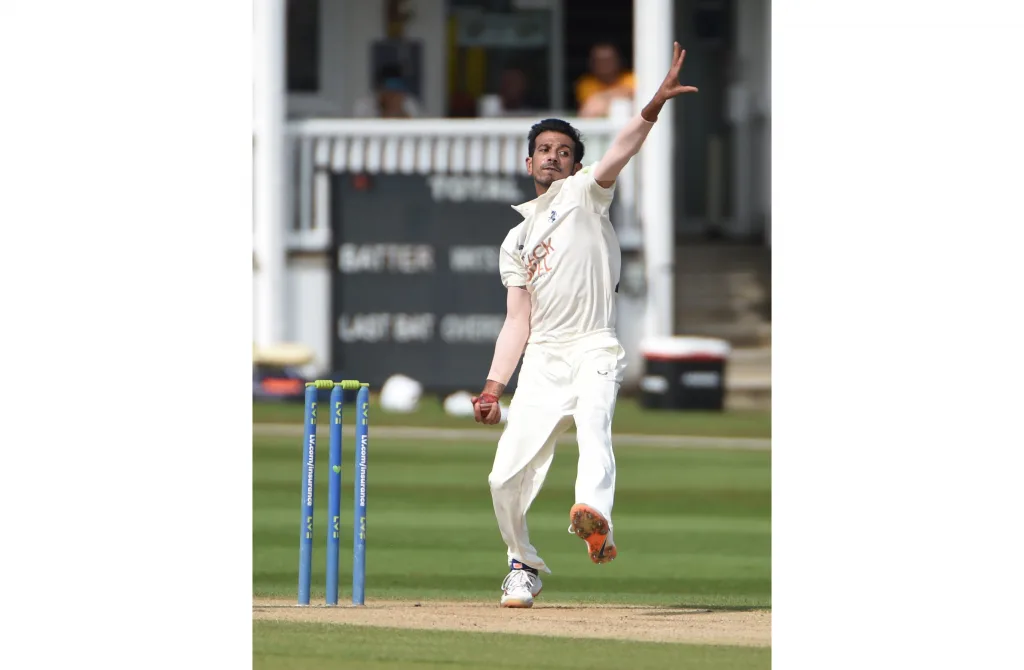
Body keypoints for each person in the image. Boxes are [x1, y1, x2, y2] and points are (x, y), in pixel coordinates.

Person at [472, 42, 698, 608]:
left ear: (576, 163)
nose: (552, 158)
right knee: (503, 478)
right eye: (543, 150)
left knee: (595, 424)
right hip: (544, 357)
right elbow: (516, 320)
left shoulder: (586, 195)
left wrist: (651, 107)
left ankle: (594, 514)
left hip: (595, 344)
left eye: (563, 151)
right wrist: (494, 385)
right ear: (529, 163)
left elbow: (621, 149)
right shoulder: (514, 239)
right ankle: (521, 563)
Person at [575, 43, 635, 117]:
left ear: (618, 61)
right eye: (599, 61)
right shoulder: (586, 83)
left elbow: (633, 92)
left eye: (608, 60)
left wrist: (601, 97)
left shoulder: (629, 77)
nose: (604, 64)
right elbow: (590, 108)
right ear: (592, 63)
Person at [352, 64, 422, 119]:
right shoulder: (364, 105)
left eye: (396, 91)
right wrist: (385, 110)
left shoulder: (410, 104)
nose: (393, 96)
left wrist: (399, 111)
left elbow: (417, 128)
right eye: (389, 91)